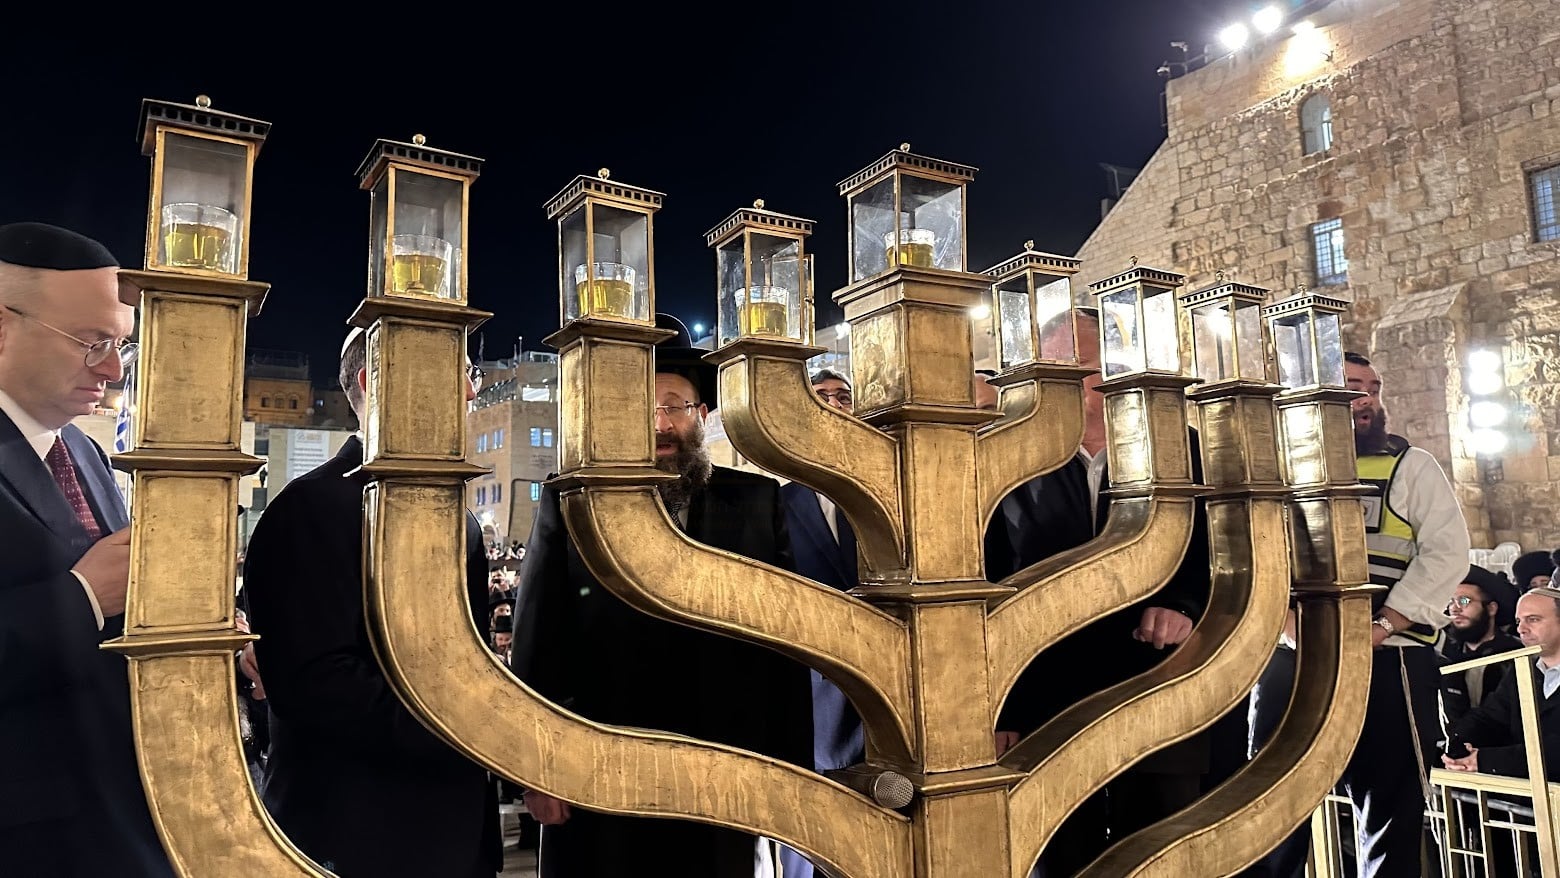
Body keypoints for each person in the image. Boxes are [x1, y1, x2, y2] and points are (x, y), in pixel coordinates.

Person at [510, 314, 812, 878]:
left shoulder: (756, 500)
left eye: (675, 406)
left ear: (703, 416)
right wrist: (538, 769)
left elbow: (785, 645)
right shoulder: (574, 500)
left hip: (722, 765)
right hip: (601, 758)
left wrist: (791, 771)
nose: (659, 423)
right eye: (642, 407)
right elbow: (537, 641)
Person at [242, 327, 499, 877]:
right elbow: (316, 685)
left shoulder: (463, 521)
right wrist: (476, 729)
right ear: (372, 381)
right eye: (452, 372)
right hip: (358, 835)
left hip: (457, 834)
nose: (471, 392)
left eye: (470, 373)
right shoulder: (309, 509)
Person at [984, 307, 1212, 877]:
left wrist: (1183, 604)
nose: (1085, 379)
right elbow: (987, 583)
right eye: (1064, 367)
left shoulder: (1175, 446)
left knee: (1159, 852)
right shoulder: (1006, 456)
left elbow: (1217, 550)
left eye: (1090, 364)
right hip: (1047, 698)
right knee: (1058, 853)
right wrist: (1002, 709)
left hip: (1157, 684)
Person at [1245, 351, 1469, 878]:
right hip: (1292, 658)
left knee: (1390, 808)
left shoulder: (1411, 466)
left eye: (1373, 387)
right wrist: (1285, 624)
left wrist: (1383, 625)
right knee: (1269, 804)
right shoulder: (1277, 471)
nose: (1365, 398)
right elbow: (1251, 552)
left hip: (1389, 659)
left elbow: (1446, 554)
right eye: (1351, 386)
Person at [0, 222, 172, 876]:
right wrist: (81, 598)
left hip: (119, 814)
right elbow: (95, 593)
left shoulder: (85, 452)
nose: (113, 369)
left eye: (121, 345)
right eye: (91, 342)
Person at [777, 368, 864, 878]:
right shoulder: (776, 502)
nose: (834, 404)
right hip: (813, 700)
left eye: (844, 396)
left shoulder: (895, 494)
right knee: (812, 841)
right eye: (821, 396)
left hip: (892, 699)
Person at [1443, 587, 1560, 781]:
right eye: (1518, 621)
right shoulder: (1522, 668)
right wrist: (1457, 745)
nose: (1521, 629)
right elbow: (1491, 717)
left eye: (1533, 619)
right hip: (1527, 793)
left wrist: (1485, 760)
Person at [1439, 565, 1523, 728]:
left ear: (1491, 608)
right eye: (1451, 602)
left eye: (1464, 601)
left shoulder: (1514, 653)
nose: (1455, 609)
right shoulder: (1445, 653)